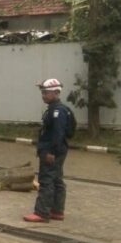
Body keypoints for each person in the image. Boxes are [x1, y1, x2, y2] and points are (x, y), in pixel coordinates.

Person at [24, 78, 69, 223]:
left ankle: (42, 213)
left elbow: (58, 134)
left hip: (51, 151)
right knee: (56, 180)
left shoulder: (57, 111)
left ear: (56, 92)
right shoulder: (56, 109)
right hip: (56, 149)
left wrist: (51, 152)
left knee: (46, 180)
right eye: (42, 92)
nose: (43, 95)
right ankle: (57, 210)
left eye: (46, 92)